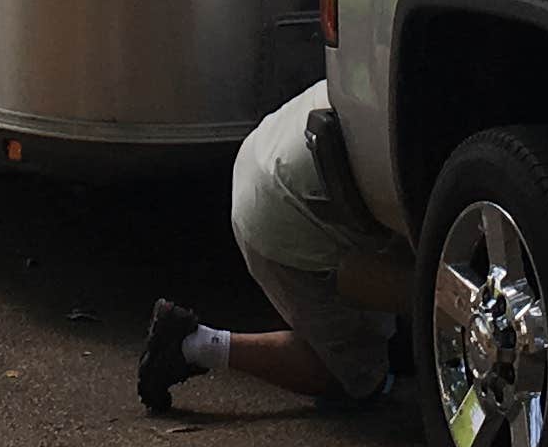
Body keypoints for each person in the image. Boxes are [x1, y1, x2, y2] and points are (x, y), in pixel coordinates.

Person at [140, 80, 409, 413]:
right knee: (360, 377)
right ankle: (191, 345)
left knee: (403, 320)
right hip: (283, 215)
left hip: (269, 154)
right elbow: (372, 275)